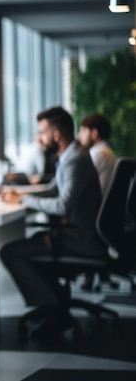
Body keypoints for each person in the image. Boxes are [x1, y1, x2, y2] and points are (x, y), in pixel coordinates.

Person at [0, 107, 106, 338]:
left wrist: (25, 199)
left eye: (42, 133)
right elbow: (53, 190)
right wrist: (20, 194)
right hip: (74, 234)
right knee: (28, 246)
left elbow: (62, 205)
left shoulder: (75, 160)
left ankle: (52, 308)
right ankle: (55, 304)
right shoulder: (71, 155)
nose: (39, 139)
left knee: (10, 252)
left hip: (80, 240)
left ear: (56, 135)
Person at [77, 113, 117, 290]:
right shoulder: (106, 153)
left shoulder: (98, 155)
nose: (79, 135)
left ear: (94, 133)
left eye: (83, 131)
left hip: (95, 218)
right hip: (103, 216)